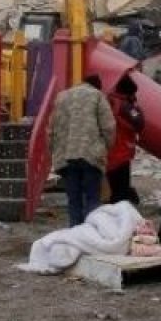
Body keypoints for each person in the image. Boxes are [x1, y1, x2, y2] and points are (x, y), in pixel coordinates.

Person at [48, 75, 116, 226]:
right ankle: (90, 232)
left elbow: (51, 128)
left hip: (66, 156)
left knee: (74, 199)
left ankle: (75, 231)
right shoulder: (98, 96)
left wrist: (52, 150)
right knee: (92, 198)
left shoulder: (62, 97)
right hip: (90, 155)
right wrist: (106, 147)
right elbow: (109, 127)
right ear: (97, 86)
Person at [106, 75, 145, 205]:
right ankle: (120, 209)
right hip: (121, 152)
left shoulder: (110, 100)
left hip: (110, 151)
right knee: (120, 189)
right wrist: (136, 107)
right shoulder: (124, 106)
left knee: (114, 188)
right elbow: (139, 123)